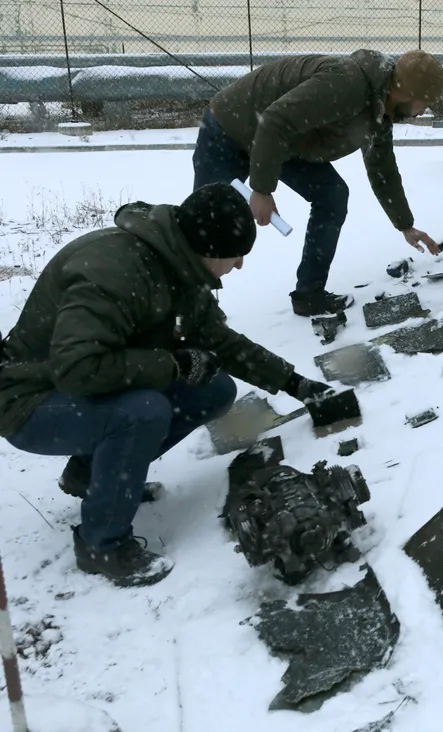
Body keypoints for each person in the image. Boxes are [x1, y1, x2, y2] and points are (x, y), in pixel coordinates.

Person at [0, 183, 336, 588]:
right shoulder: (114, 272)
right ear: (209, 249)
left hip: (81, 385)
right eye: (237, 255)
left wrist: (294, 382)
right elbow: (77, 368)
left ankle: (91, 474)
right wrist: (172, 364)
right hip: (27, 399)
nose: (241, 266)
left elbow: (219, 341)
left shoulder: (180, 265)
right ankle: (101, 543)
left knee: (214, 390)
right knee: (142, 412)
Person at [192, 49, 443, 317]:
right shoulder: (347, 84)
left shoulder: (379, 112)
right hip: (231, 129)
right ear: (407, 93)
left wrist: (405, 224)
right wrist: (262, 189)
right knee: (207, 227)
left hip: (282, 142)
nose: (422, 112)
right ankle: (190, 314)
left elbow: (383, 169)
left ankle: (309, 295)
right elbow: (274, 120)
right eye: (424, 103)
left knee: (332, 195)